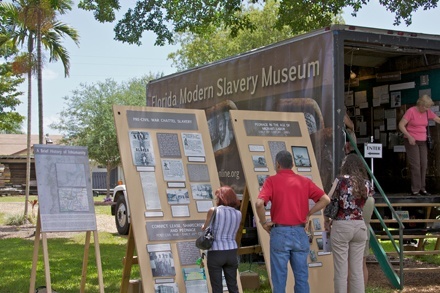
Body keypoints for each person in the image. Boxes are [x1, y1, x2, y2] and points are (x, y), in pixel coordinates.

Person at [255, 150, 330, 293]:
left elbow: (259, 204)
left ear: (277, 164)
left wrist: (264, 223)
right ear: (293, 164)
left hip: (280, 232)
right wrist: (308, 213)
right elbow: (325, 199)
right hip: (300, 231)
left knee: (279, 279)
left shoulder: (271, 181)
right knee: (302, 277)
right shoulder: (304, 181)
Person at [324, 153, 373, 293]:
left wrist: (326, 220)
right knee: (357, 270)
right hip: (359, 226)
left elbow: (329, 199)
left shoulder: (340, 180)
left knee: (341, 271)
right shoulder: (366, 183)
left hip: (341, 225)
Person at [398, 94, 440, 195]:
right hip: (411, 140)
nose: (428, 109)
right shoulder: (411, 111)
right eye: (426, 107)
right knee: (416, 165)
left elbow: (437, 119)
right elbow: (401, 125)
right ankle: (416, 189)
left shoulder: (427, 112)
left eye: (429, 107)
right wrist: (409, 136)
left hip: (422, 141)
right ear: (421, 104)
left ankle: (423, 188)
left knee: (424, 164)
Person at [202, 186, 241, 293]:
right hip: (232, 251)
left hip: (216, 251)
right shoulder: (238, 213)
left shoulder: (214, 211)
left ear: (221, 198)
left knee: (217, 287)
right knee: (233, 286)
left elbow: (204, 227)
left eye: (217, 197)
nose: (216, 200)